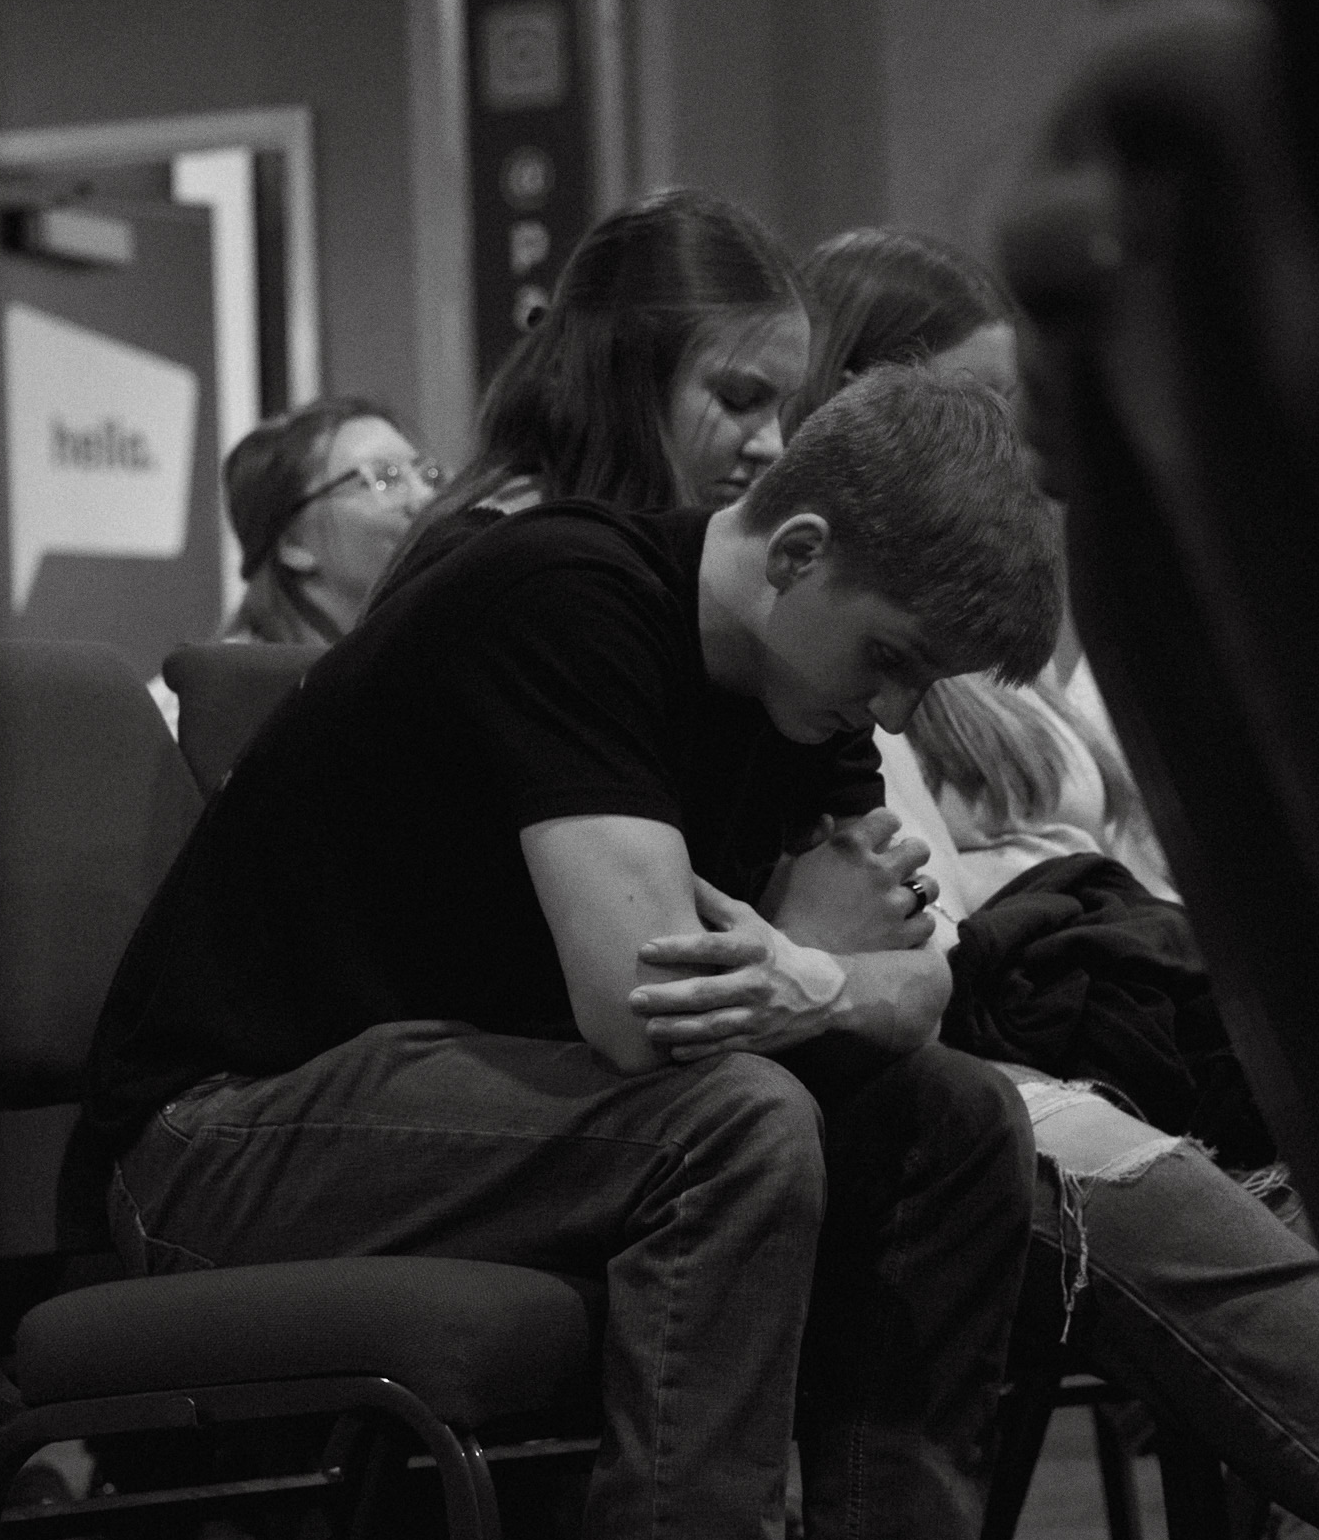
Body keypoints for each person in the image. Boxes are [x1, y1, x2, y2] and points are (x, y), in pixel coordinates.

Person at [84, 363, 1062, 1540]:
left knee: (950, 1120)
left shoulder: (806, 690)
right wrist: (821, 966)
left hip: (468, 1108)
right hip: (218, 1137)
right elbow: (644, 1009)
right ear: (797, 553)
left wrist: (811, 974)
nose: (900, 713)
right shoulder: (565, 592)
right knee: (735, 1122)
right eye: (890, 660)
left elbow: (920, 990)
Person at [794, 223, 1319, 1526]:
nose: (1006, 441)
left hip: (1121, 984)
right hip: (1029, 1027)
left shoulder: (978, 644)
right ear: (863, 388)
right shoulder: (840, 646)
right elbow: (917, 928)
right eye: (971, 400)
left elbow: (1142, 859)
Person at [368, 186, 812, 612]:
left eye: (783, 409)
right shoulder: (510, 566)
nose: (774, 446)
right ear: (626, 378)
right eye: (739, 398)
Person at [149, 397, 442, 733]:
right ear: (294, 544)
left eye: (426, 473)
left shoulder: (434, 668)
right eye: (383, 478)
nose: (425, 497)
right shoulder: (199, 709)